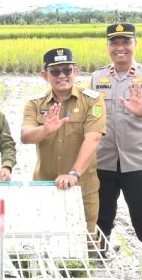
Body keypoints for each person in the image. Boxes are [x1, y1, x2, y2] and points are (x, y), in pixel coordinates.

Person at [91, 23, 142, 270]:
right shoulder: (97, 77)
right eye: (114, 43)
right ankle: (97, 261)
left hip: (137, 160)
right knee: (101, 216)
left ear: (136, 44)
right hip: (103, 160)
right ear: (108, 47)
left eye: (126, 42)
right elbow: (90, 113)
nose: (120, 48)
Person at [21, 48, 107, 235]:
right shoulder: (35, 104)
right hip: (45, 185)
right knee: (46, 236)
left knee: (86, 238)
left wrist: (74, 174)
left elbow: (93, 138)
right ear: (45, 75)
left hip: (82, 185)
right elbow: (26, 136)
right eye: (55, 71)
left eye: (67, 70)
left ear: (75, 71)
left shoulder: (92, 101)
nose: (62, 76)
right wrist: (45, 129)